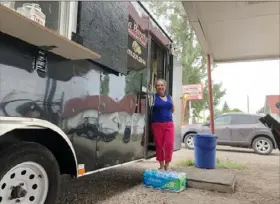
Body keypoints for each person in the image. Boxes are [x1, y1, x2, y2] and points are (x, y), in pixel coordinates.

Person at [151, 79, 175, 171]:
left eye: (162, 85)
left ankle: (167, 165)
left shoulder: (169, 97)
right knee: (159, 145)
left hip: (169, 124)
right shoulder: (153, 97)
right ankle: (161, 166)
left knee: (169, 144)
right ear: (156, 88)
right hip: (157, 124)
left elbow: (173, 109)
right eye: (158, 85)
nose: (160, 87)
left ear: (165, 87)